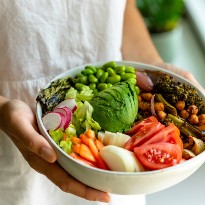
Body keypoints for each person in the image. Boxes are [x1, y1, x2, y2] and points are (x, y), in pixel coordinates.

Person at [0, 1, 204, 205]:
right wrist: (2, 110)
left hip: (121, 174)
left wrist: (152, 69)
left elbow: (125, 7)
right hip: (20, 131)